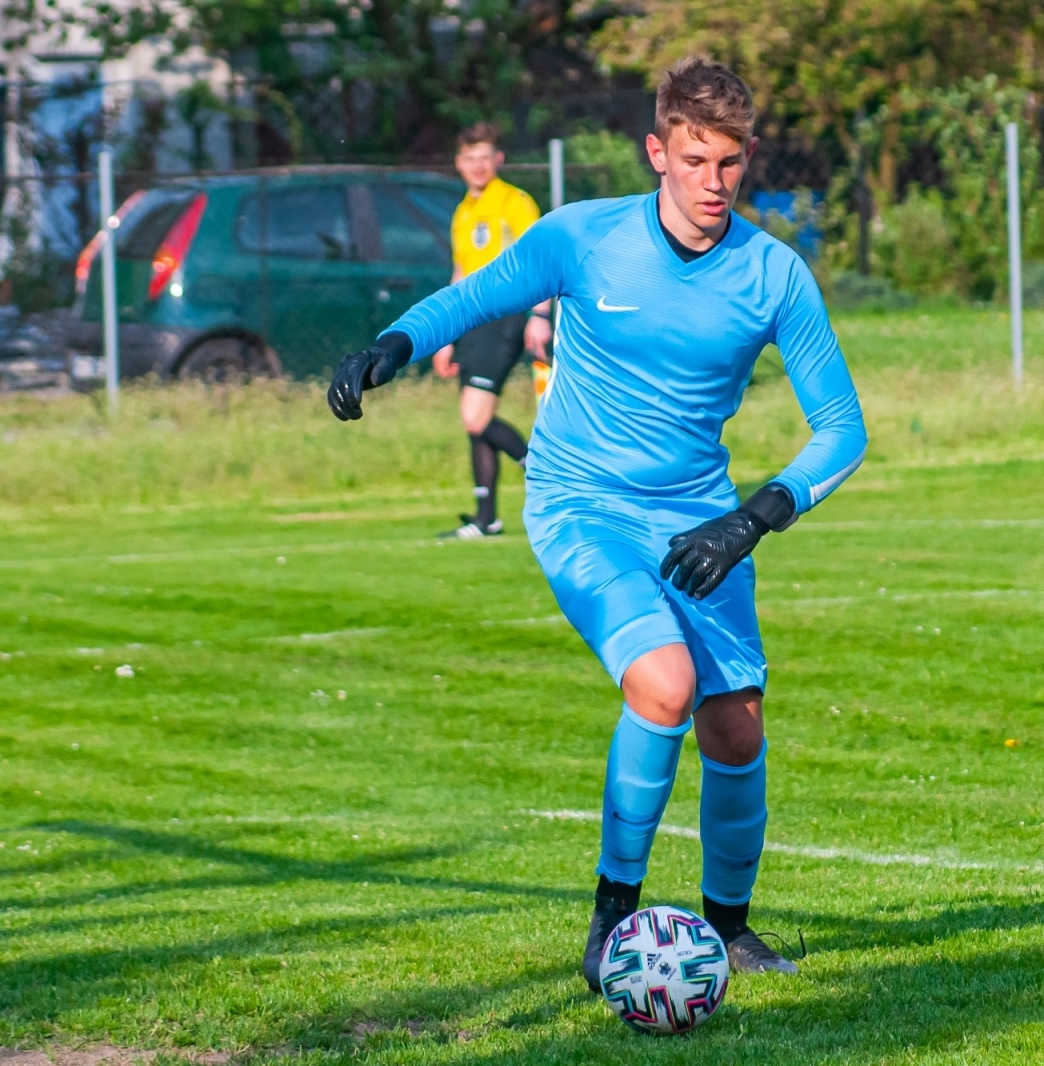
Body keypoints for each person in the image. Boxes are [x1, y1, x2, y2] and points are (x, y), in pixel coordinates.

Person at [326, 59, 867, 981]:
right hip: (582, 503)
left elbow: (843, 431)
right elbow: (475, 296)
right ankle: (613, 923)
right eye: (694, 160)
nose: (713, 183)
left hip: (701, 521)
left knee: (735, 727)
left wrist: (750, 520)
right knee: (663, 684)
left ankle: (727, 929)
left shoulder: (775, 276)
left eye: (730, 163)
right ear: (658, 151)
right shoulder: (584, 237)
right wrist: (394, 345)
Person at [433, 122, 553, 538]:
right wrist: (445, 335)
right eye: (470, 159)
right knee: (475, 421)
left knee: (474, 415)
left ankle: (545, 472)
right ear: (459, 163)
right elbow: (461, 273)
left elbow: (540, 261)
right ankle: (486, 518)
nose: (477, 166)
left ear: (497, 160)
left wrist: (539, 317)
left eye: (485, 157)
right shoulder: (463, 210)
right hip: (471, 322)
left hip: (505, 318)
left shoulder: (514, 202)